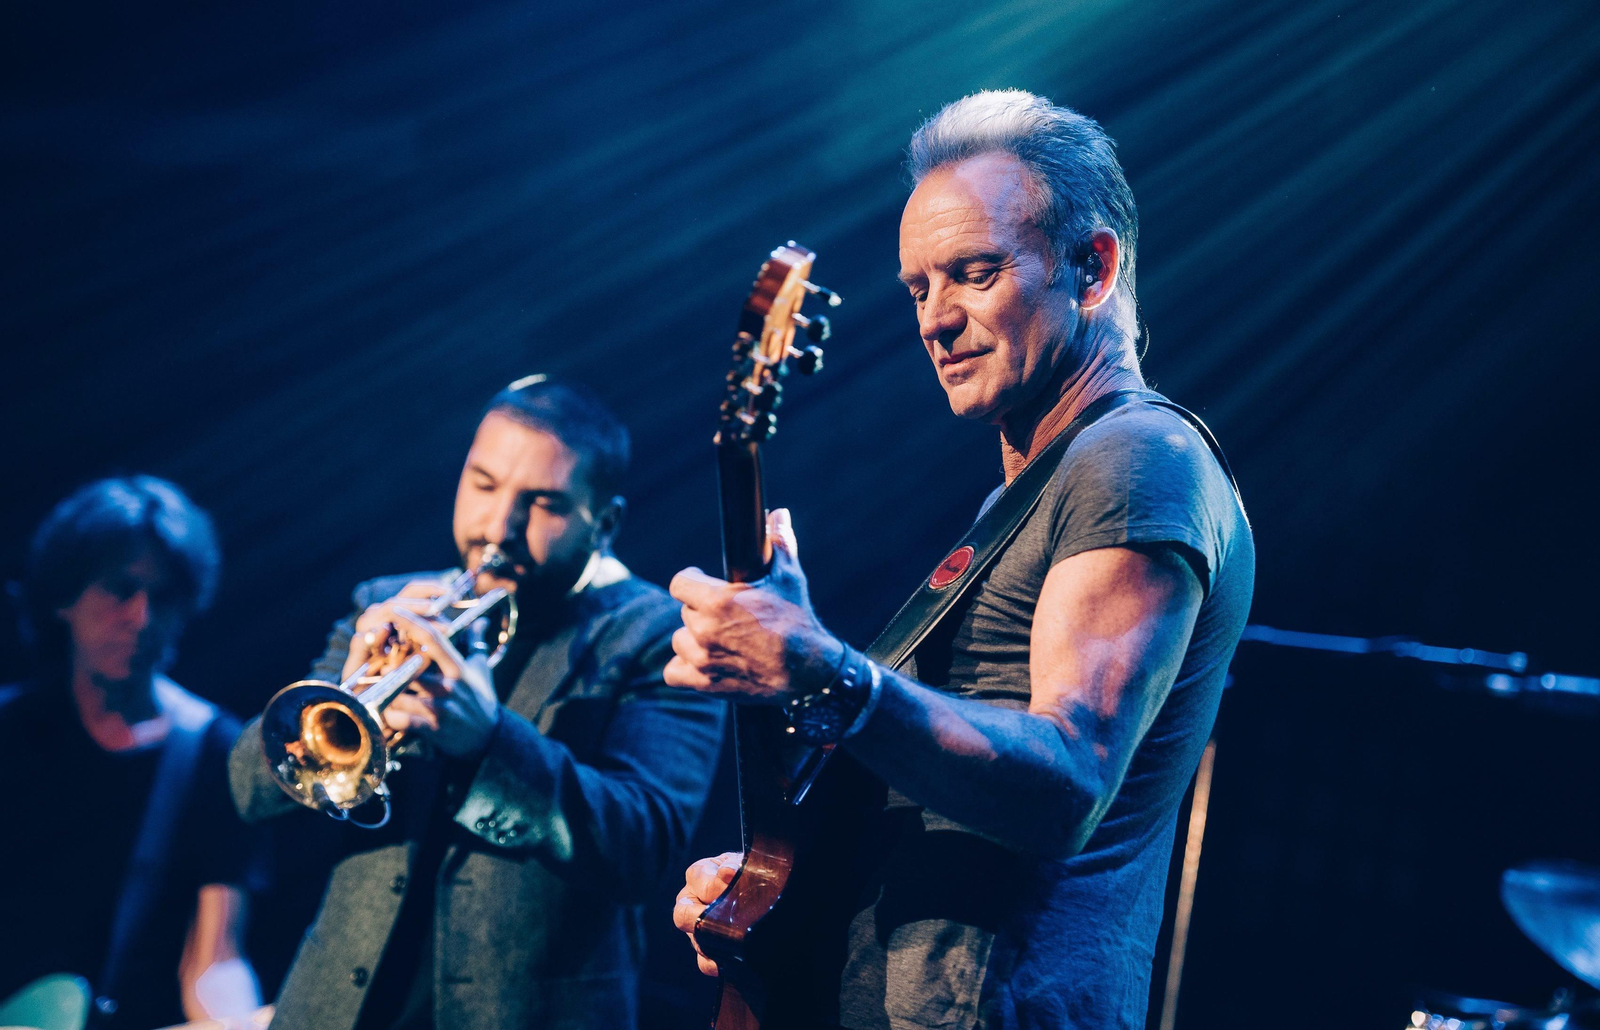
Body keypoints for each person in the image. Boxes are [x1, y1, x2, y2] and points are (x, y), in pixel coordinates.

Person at [668, 90, 1256, 1029]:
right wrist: (775, 883)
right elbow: (935, 794)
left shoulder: (1138, 457)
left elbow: (1068, 777)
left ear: (1092, 268)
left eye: (975, 274)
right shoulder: (1023, 498)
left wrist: (832, 674)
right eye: (918, 288)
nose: (934, 320)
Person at [229, 375, 726, 1030]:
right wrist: (354, 686)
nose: (499, 526)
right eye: (484, 485)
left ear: (604, 523)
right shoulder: (387, 604)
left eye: (543, 503)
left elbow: (644, 848)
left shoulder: (658, 635)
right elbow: (247, 787)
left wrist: (488, 742)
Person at [0, 476, 263, 1029]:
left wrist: (234, 1023)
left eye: (163, 598)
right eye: (121, 589)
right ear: (63, 598)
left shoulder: (215, 751)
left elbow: (216, 958)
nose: (142, 619)